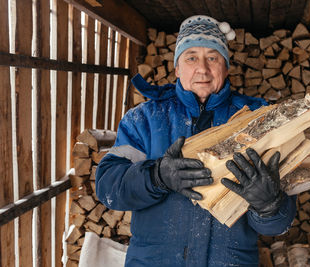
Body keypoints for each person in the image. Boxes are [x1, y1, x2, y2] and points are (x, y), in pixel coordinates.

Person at [96, 15, 297, 267]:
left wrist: (269, 204)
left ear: (226, 67)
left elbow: (279, 224)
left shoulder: (258, 122)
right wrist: (156, 176)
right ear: (177, 68)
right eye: (191, 57)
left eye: (212, 57)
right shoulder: (143, 119)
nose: (202, 68)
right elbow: (108, 189)